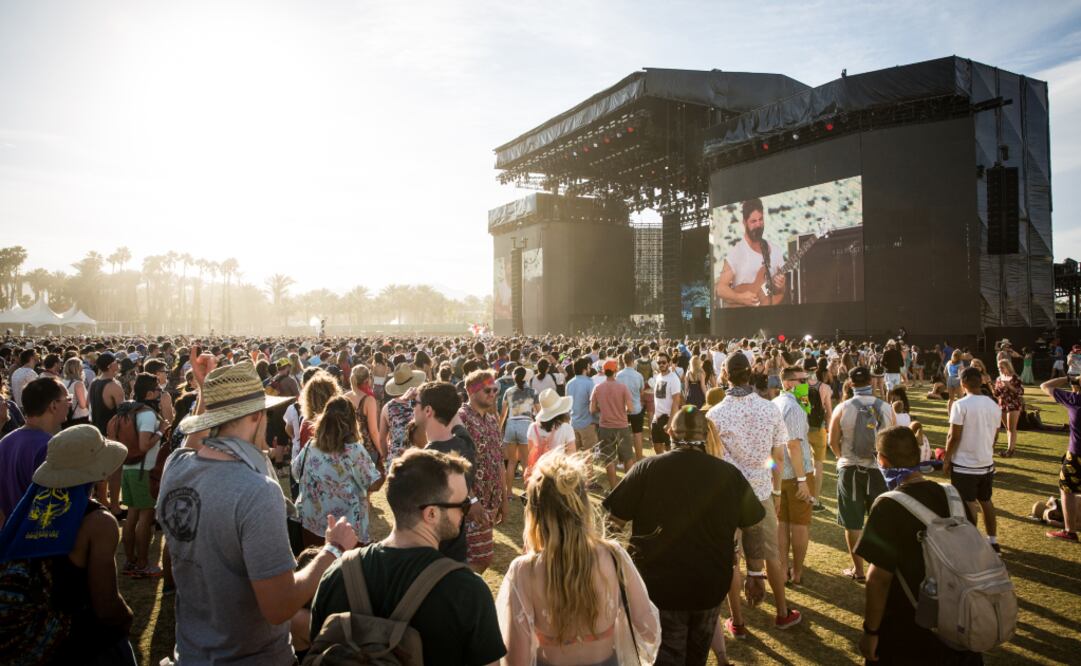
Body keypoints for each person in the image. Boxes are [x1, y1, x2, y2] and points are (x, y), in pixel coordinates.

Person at [157, 360, 359, 664]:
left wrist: (204, 391)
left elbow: (193, 440)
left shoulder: (176, 468)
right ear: (256, 415)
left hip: (191, 652)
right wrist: (332, 548)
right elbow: (279, 607)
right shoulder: (256, 491)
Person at [309, 448, 507, 666]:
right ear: (431, 513)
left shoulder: (336, 576)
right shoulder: (467, 591)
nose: (466, 512)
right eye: (463, 505)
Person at [605, 406, 765, 665]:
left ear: (670, 432)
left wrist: (614, 570)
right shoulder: (729, 475)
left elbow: (613, 524)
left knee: (666, 656)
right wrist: (756, 573)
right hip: (709, 586)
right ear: (706, 434)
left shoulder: (646, 469)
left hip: (659, 587)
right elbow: (754, 525)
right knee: (696, 658)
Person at [498, 451, 661, 665]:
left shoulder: (524, 571)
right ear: (583, 506)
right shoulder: (613, 556)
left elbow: (515, 660)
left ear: (536, 511)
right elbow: (648, 630)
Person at [0, 425, 136, 665]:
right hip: (80, 645)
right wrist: (126, 618)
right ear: (99, 471)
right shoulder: (98, 523)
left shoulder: (28, 508)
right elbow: (106, 607)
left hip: (28, 646)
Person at [856, 426, 983, 665]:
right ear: (918, 455)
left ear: (882, 461)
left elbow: (878, 579)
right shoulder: (952, 496)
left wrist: (871, 631)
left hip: (907, 628)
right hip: (958, 619)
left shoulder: (887, 506)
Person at [706, 352, 801, 632]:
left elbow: (713, 458)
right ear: (750, 375)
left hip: (728, 496)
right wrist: (776, 492)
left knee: (730, 559)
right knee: (771, 553)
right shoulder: (769, 408)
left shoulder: (714, 414)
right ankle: (782, 612)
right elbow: (778, 458)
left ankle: (737, 620)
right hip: (760, 493)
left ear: (725, 375)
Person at [828, 366, 895, 582]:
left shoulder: (842, 407)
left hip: (850, 468)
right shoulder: (885, 407)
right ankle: (879, 568)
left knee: (852, 521)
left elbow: (832, 440)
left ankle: (858, 570)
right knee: (879, 520)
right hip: (877, 469)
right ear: (871, 381)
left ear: (850, 383)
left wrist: (841, 457)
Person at [415, 381, 488, 564]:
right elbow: (454, 418)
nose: (411, 409)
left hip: (430, 554)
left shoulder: (423, 461)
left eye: (414, 404)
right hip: (457, 550)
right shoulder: (465, 443)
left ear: (428, 411)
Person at [293, 395, 381, 546]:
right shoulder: (354, 450)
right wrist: (382, 469)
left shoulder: (309, 446)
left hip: (312, 527)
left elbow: (296, 473)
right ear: (352, 422)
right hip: (347, 531)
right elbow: (374, 484)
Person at [945, 367, 1002, 552]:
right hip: (985, 462)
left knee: (968, 503)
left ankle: (971, 541)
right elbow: (995, 435)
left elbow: (954, 436)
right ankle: (993, 541)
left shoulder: (960, 405)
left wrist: (946, 459)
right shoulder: (994, 405)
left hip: (964, 464)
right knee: (986, 501)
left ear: (962, 383)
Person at [457, 369, 508, 573]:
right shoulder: (461, 419)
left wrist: (504, 499)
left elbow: (498, 461)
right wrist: (472, 500)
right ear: (471, 391)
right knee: (478, 559)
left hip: (491, 501)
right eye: (488, 390)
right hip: (471, 503)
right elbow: (455, 463)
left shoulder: (492, 419)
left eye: (496, 390)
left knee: (480, 557)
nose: (493, 394)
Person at [0, 377, 70, 525]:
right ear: (53, 405)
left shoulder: (5, 442)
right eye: (67, 399)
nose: (70, 404)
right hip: (39, 536)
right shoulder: (49, 447)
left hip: (12, 535)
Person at [120, 373, 167, 578]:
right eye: (158, 390)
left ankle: (129, 561)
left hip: (128, 468)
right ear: (149, 393)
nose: (160, 393)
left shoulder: (129, 409)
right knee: (146, 517)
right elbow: (144, 445)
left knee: (131, 516)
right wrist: (162, 431)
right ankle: (142, 563)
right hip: (144, 470)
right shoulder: (147, 414)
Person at [773, 366, 815, 586]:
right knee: (799, 524)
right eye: (802, 380)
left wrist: (804, 398)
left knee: (782, 523)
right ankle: (796, 572)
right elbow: (794, 446)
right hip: (797, 473)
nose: (807, 383)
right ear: (789, 383)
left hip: (779, 474)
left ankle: (781, 569)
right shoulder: (793, 407)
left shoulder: (776, 403)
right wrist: (802, 480)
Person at [714, 198, 787, 307]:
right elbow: (720, 289)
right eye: (753, 221)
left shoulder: (776, 250)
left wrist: (780, 286)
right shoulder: (737, 252)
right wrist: (739, 298)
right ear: (744, 223)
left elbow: (780, 291)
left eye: (761, 219)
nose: (758, 225)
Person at [1039, 374, 1081, 542]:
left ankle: (1070, 531)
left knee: (1066, 489)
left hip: (1076, 454)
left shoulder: (1074, 399)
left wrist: (1069, 378)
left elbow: (1044, 385)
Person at [88, 352, 125, 515]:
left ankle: (103, 500)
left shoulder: (94, 382)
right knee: (115, 472)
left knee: (101, 470)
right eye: (116, 362)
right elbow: (123, 413)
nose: (119, 364)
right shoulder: (114, 385)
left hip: (96, 430)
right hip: (111, 434)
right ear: (110, 366)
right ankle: (115, 507)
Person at [590, 359, 635, 491]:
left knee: (609, 459)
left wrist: (603, 408)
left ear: (604, 372)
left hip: (605, 427)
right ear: (615, 371)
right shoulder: (622, 387)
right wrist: (621, 410)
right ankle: (628, 487)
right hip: (622, 426)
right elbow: (630, 408)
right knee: (627, 458)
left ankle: (614, 488)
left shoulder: (598, 388)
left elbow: (592, 409)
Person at [501, 366, 537, 501]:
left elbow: (503, 413)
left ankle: (509, 493)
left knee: (511, 462)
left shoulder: (509, 391)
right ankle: (528, 492)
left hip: (511, 425)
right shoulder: (532, 392)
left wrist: (499, 428)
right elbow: (538, 412)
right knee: (526, 463)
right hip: (526, 425)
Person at [616, 351, 647, 462]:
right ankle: (639, 459)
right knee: (637, 434)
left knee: (623, 436)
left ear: (624, 361)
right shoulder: (638, 376)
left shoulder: (618, 376)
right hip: (636, 409)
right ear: (633, 361)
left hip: (623, 410)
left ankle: (623, 460)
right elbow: (641, 392)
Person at [566, 357, 600, 458]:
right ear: (585, 369)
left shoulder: (569, 383)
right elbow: (594, 403)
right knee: (588, 456)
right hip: (587, 423)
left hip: (573, 422)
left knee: (575, 457)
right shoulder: (589, 383)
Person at [650, 352, 683, 455]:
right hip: (657, 418)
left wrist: (670, 423)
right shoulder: (658, 377)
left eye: (664, 362)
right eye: (659, 362)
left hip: (668, 417)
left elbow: (676, 402)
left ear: (668, 363)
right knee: (656, 446)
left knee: (670, 449)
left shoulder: (673, 378)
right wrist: (655, 418)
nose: (661, 364)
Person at [992, 359, 1024, 458]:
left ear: (1007, 367)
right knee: (1007, 428)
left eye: (1002, 367)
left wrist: (1009, 385)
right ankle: (1009, 449)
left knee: (1011, 428)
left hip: (1013, 404)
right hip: (1002, 405)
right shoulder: (999, 379)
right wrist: (991, 386)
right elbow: (996, 394)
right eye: (998, 367)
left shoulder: (1015, 378)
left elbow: (1020, 392)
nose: (1000, 369)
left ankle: (1010, 450)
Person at [62, 357, 91, 427]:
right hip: (80, 418)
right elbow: (83, 405)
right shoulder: (78, 384)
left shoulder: (63, 381)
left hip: (69, 417)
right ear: (78, 369)